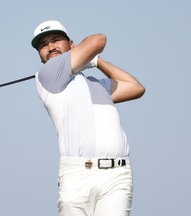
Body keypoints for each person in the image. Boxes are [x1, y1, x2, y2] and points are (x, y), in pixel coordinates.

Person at [31, 20, 145, 216]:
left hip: (117, 177)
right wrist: (90, 56)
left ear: (72, 45)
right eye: (43, 45)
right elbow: (98, 40)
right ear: (40, 57)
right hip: (77, 177)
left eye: (56, 40)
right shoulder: (48, 75)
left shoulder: (95, 84)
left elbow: (135, 88)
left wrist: (97, 61)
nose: (50, 47)